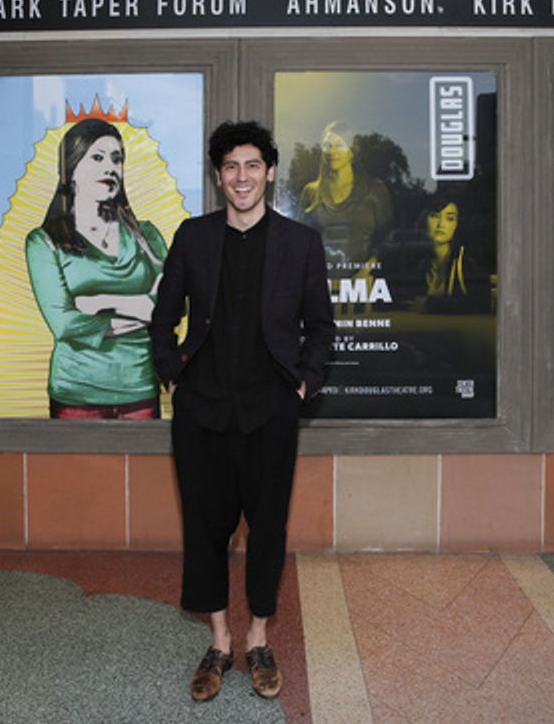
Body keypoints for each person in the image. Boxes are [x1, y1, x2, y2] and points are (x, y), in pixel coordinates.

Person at [149, 121, 334, 702]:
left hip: (271, 410)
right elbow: (163, 317)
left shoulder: (300, 244)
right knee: (205, 529)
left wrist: (303, 384)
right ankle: (220, 642)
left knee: (268, 529)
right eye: (230, 167)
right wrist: (174, 375)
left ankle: (258, 637)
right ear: (218, 176)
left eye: (253, 165)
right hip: (202, 410)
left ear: (270, 171)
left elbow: (322, 328)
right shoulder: (193, 237)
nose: (242, 177)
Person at [24, 117, 167, 419]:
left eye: (117, 159)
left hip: (140, 388)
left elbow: (170, 308)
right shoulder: (44, 241)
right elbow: (65, 324)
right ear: (71, 169)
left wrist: (102, 303)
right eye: (97, 157)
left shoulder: (147, 237)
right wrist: (143, 309)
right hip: (76, 394)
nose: (110, 168)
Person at [298, 121, 392, 270]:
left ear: (352, 151)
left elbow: (388, 239)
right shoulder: (311, 192)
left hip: (364, 285)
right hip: (320, 283)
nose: (332, 151)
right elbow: (299, 243)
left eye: (339, 145)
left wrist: (369, 268)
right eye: (328, 146)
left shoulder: (374, 190)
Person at [408, 192, 491, 314]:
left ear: (458, 224)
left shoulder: (467, 263)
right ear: (423, 220)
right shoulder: (417, 263)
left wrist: (430, 305)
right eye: (435, 216)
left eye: (450, 218)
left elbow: (482, 304)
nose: (441, 224)